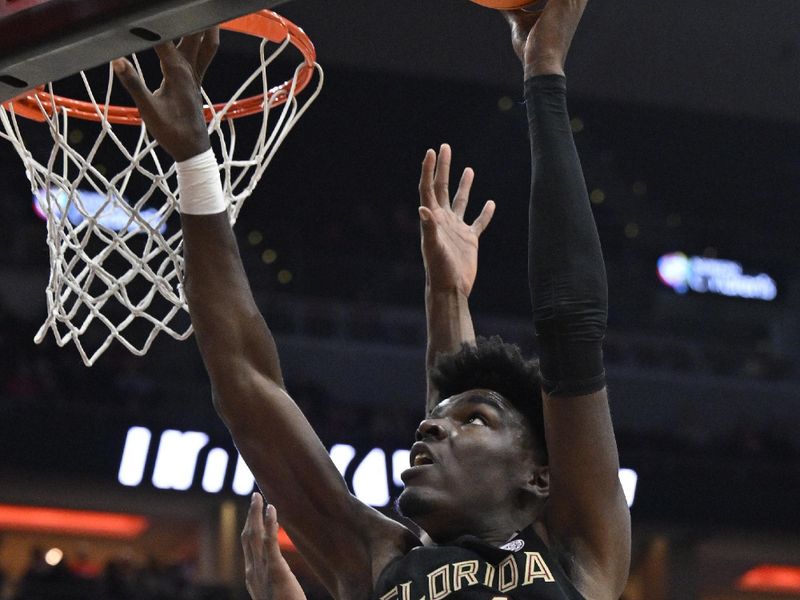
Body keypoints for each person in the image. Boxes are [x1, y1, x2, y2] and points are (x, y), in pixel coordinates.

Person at [112, 0, 631, 598]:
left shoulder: (577, 555)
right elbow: (246, 382)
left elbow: (570, 322)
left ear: (540, 478)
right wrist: (194, 161)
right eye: (439, 418)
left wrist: (544, 72)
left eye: (474, 421)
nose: (430, 430)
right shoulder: (377, 559)